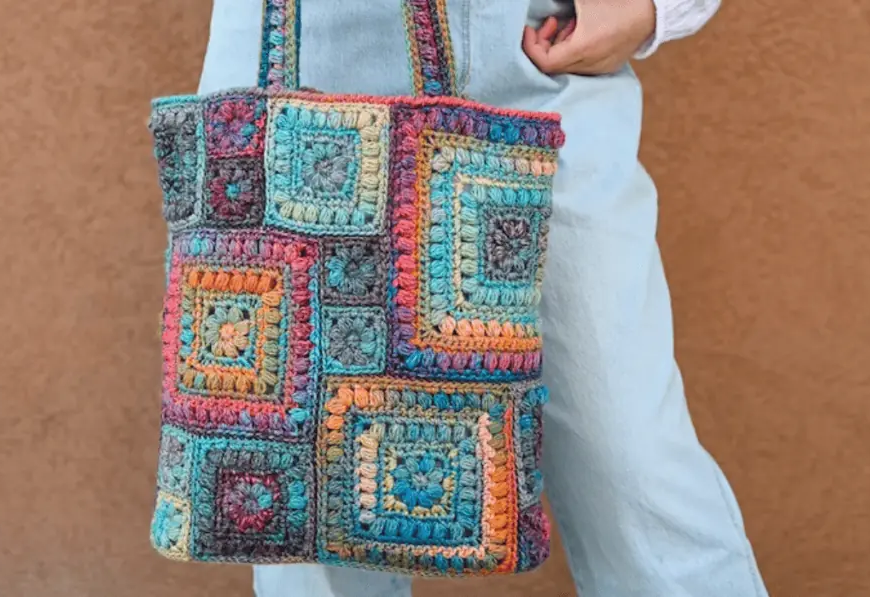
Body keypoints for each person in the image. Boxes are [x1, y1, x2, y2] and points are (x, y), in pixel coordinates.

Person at [195, 1, 770, 595]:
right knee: (311, 504)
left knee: (629, 459)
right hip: (300, 56)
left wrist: (656, 8)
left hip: (533, 51)